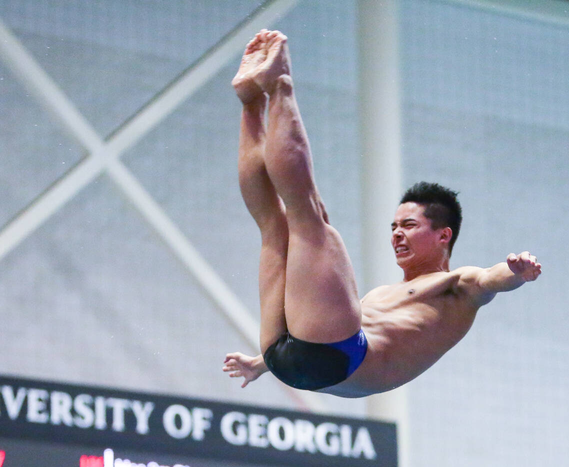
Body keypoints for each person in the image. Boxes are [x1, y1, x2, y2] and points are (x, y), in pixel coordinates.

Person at [223, 30, 542, 399]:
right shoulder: (382, 295)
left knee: (310, 216)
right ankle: (251, 102)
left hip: (335, 359)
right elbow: (312, 318)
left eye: (409, 225)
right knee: (274, 227)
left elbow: (491, 280)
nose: (396, 234)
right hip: (283, 355)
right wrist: (259, 365)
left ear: (444, 235)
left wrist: (517, 272)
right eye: (394, 226)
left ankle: (279, 84)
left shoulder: (458, 286)